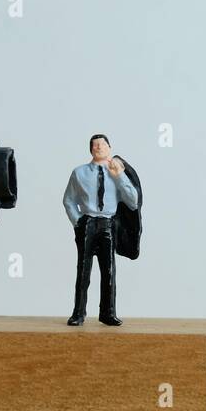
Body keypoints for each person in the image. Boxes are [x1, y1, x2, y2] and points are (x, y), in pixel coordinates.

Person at [62, 133, 143, 325]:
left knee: (109, 272)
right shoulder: (79, 172)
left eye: (103, 144)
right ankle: (78, 313)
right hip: (88, 224)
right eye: (95, 145)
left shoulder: (117, 173)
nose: (99, 147)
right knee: (83, 271)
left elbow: (133, 202)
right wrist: (78, 221)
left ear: (110, 148)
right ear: (90, 149)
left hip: (108, 224)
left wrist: (120, 176)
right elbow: (68, 200)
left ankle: (107, 312)